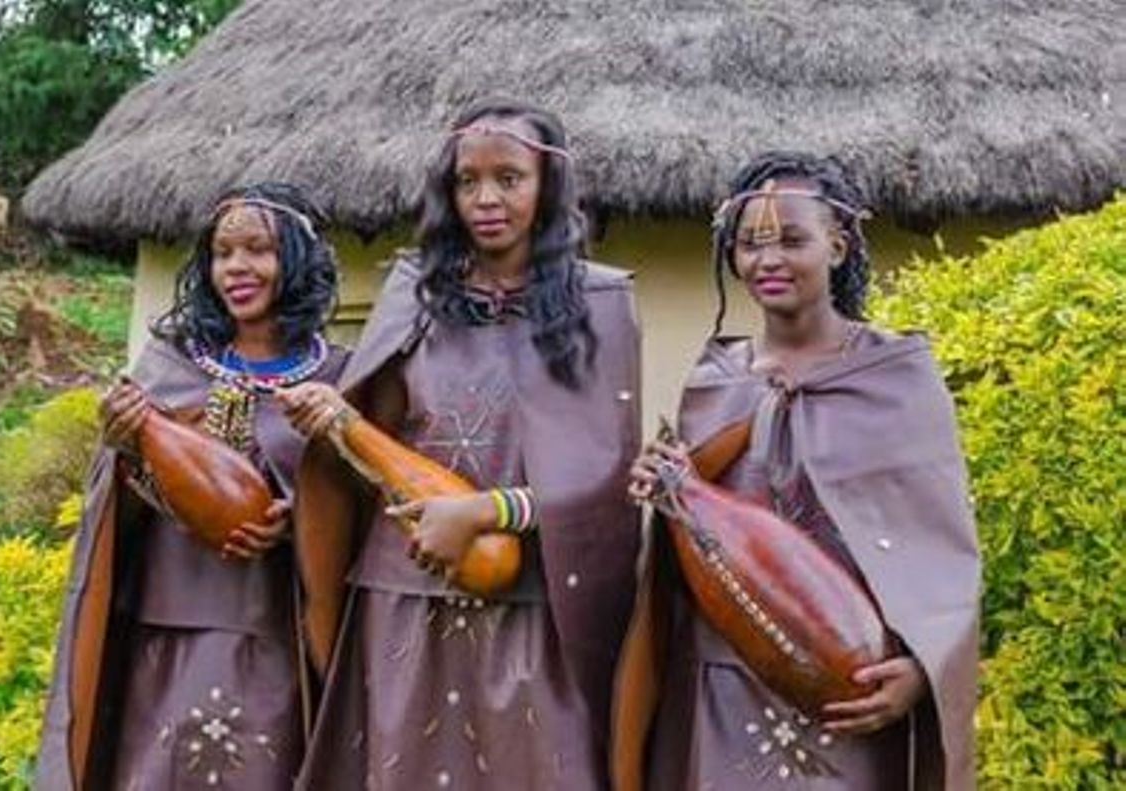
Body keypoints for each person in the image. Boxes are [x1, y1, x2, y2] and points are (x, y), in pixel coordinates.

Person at [286, 98, 642, 790]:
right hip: (401, 600)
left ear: (548, 188)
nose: (486, 198)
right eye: (467, 180)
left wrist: (485, 513)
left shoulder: (602, 302)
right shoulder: (412, 292)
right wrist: (333, 424)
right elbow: (368, 446)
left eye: (509, 178)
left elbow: (608, 481)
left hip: (535, 609)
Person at [617, 152, 980, 790]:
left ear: (837, 247)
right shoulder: (713, 381)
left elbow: (944, 550)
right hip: (724, 685)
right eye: (750, 243)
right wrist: (666, 488)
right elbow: (694, 544)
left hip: (851, 689)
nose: (769, 260)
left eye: (792, 239)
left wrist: (923, 669)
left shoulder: (893, 378)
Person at [35, 182, 350, 790]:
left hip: (279, 632)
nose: (237, 267)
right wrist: (126, 451)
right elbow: (113, 510)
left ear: (299, 261)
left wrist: (304, 518)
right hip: (166, 630)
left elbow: (362, 504)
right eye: (222, 253)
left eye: (258, 250)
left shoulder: (339, 377)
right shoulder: (166, 366)